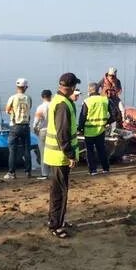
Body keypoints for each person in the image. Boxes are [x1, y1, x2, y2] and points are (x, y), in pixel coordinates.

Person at [45, 72, 81, 238]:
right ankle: (56, 225)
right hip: (60, 156)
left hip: (55, 155)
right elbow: (63, 134)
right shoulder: (62, 105)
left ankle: (56, 220)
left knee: (56, 190)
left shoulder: (58, 100)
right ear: (72, 87)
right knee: (60, 192)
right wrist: (71, 155)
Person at [78, 82, 116, 175]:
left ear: (89, 90)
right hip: (101, 130)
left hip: (89, 131)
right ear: (98, 90)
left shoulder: (87, 101)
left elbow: (82, 116)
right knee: (101, 150)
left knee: (90, 151)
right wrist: (106, 122)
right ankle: (105, 168)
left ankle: (93, 170)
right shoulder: (105, 100)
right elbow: (114, 115)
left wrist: (80, 128)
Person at [4, 78, 32, 180]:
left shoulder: (12, 97)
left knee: (12, 150)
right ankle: (28, 172)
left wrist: (13, 111)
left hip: (15, 126)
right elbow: (29, 108)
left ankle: (12, 172)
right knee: (26, 150)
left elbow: (7, 110)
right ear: (26, 87)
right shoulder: (28, 98)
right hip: (26, 126)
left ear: (17, 87)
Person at [33, 89, 52, 180]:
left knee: (43, 153)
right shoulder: (54, 106)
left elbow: (36, 121)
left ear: (42, 97)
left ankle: (45, 173)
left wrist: (35, 129)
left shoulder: (40, 107)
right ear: (50, 96)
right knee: (54, 151)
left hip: (43, 131)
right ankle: (56, 171)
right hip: (53, 131)